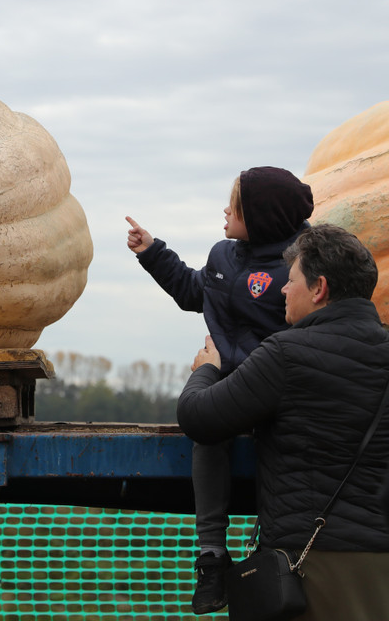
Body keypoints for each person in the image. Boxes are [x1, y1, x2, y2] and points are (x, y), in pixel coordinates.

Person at [178, 224, 389, 620]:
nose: (282, 290)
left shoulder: (286, 354)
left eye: (291, 281)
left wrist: (206, 370)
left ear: (319, 289)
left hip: (314, 566)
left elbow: (200, 418)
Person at [127, 166, 313, 614]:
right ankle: (212, 555)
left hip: (274, 386)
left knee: (276, 443)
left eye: (237, 204)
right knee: (207, 428)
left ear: (263, 216)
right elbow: (197, 292)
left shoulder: (301, 267)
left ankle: (270, 553)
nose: (226, 210)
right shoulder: (224, 256)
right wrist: (154, 253)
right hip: (229, 382)